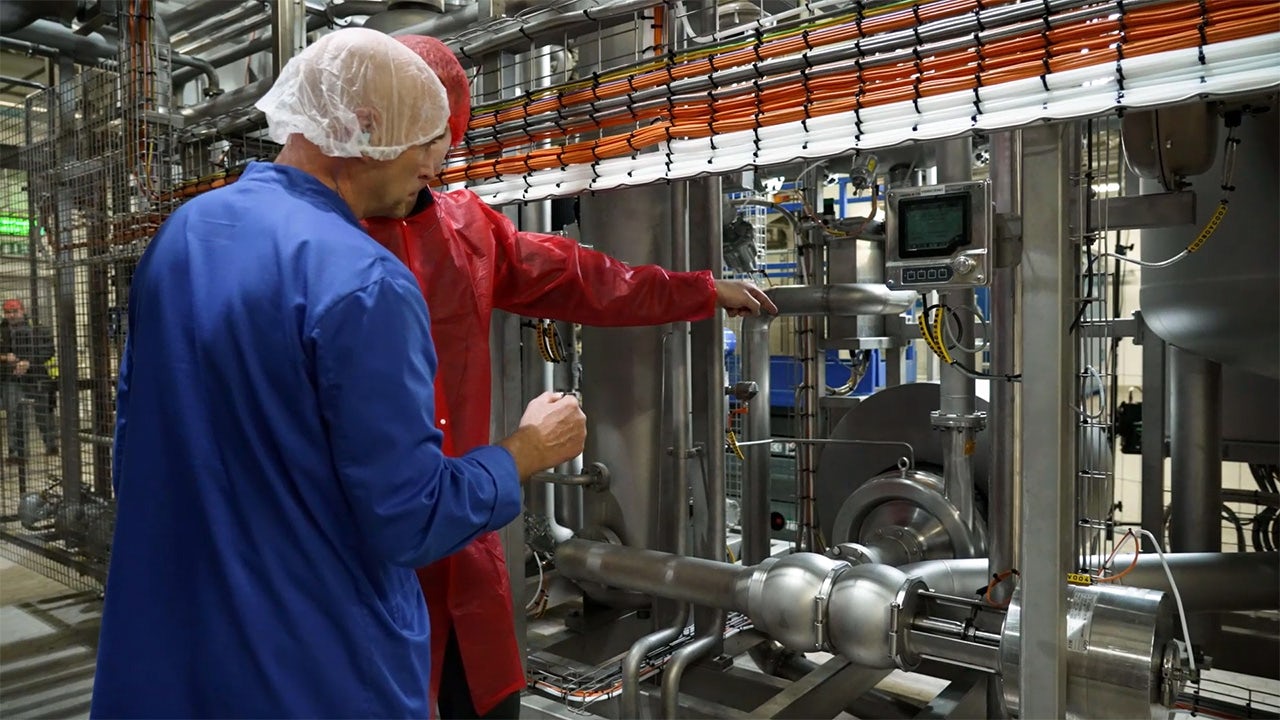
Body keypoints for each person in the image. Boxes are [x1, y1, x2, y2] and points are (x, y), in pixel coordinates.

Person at [89, 28, 586, 720]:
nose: (433, 171)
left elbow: (141, 445)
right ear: (364, 126)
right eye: (426, 143)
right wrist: (528, 448)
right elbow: (411, 519)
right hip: (315, 668)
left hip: (175, 652)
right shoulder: (365, 282)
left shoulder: (185, 234)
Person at [363, 34, 777, 720]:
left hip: (460, 533)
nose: (434, 166)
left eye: (442, 143)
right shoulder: (313, 243)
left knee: (481, 698)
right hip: (359, 558)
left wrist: (700, 291)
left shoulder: (465, 231)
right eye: (421, 140)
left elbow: (587, 280)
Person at [0, 298, 57, 463]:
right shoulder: (2, 331)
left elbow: (48, 350)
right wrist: (5, 358)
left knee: (43, 412)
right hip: (11, 378)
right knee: (15, 414)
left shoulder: (38, 329)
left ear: (22, 311)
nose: (11, 315)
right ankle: (17, 453)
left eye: (14, 311)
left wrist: (28, 362)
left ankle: (51, 444)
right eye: (8, 312)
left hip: (37, 376)